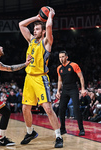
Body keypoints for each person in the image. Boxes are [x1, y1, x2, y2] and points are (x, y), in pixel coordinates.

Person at [19, 7, 63, 148]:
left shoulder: (47, 42)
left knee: (48, 109)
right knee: (25, 108)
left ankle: (58, 136)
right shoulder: (31, 40)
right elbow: (21, 24)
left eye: (37, 29)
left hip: (40, 78)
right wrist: (37, 18)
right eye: (34, 29)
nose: (34, 31)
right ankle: (30, 132)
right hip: (28, 78)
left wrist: (50, 14)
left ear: (43, 32)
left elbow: (49, 25)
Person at [56, 51, 86, 136]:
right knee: (61, 109)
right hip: (65, 90)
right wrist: (58, 91)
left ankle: (81, 129)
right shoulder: (59, 68)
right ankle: (62, 129)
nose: (61, 59)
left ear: (66, 57)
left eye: (62, 57)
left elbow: (81, 77)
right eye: (59, 57)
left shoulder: (74, 65)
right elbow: (60, 80)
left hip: (73, 89)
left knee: (76, 109)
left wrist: (83, 89)